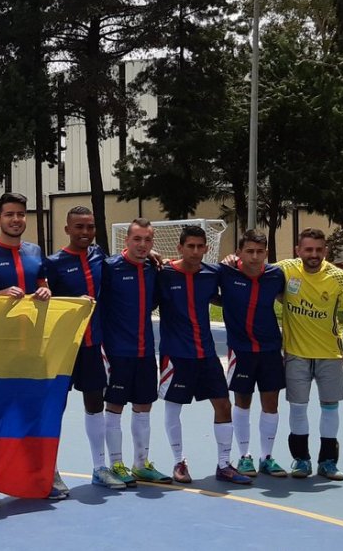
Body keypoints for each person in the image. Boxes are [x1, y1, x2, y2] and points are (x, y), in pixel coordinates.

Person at [0, 193, 59, 500]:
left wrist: (44, 291)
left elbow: (43, 283)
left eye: (20, 214)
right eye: (9, 215)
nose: (15, 219)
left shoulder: (35, 252)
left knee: (34, 415)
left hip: (31, 349)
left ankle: (37, 479)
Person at [44, 207, 134, 491]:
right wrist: (70, 302)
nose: (85, 232)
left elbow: (127, 261)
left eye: (90, 227)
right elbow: (44, 303)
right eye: (79, 227)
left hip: (93, 346)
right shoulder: (53, 263)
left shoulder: (100, 257)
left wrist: (156, 256)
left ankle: (99, 467)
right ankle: (50, 471)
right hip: (61, 348)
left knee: (95, 404)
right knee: (54, 408)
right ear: (67, 229)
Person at [156, 226, 250, 485]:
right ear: (180, 248)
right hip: (175, 355)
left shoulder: (212, 274)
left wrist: (234, 260)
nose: (195, 251)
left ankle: (224, 464)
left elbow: (237, 275)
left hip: (206, 353)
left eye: (200, 247)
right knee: (174, 407)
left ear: (207, 249)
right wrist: (154, 254)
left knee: (223, 405)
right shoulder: (163, 273)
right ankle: (179, 462)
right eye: (190, 246)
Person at [278, 228, 343, 480]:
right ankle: (301, 460)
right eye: (308, 249)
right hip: (296, 354)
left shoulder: (340, 278)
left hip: (330, 354)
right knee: (298, 408)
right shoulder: (284, 269)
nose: (313, 254)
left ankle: (328, 462)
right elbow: (253, 264)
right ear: (298, 251)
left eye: (318, 250)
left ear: (325, 251)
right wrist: (231, 260)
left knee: (330, 408)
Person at [99, 219, 171, 488]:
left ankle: (141, 464)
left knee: (144, 406)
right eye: (137, 239)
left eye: (148, 240)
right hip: (117, 351)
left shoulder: (154, 268)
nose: (142, 245)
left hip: (145, 351)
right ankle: (117, 464)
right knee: (114, 407)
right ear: (126, 240)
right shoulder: (109, 268)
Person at [218, 230, 289, 478]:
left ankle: (266, 457)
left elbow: (285, 296)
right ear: (239, 252)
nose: (255, 256)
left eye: (260, 252)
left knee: (271, 403)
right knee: (242, 402)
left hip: (270, 348)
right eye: (249, 251)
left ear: (266, 254)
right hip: (241, 350)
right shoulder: (225, 272)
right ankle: (245, 456)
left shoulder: (275, 275)